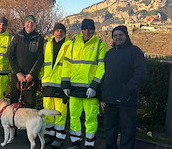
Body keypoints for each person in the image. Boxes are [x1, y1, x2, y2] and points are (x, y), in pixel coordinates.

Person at [61, 19, 108, 149]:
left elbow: (101, 67)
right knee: (74, 117)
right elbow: (67, 64)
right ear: (81, 29)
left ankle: (89, 144)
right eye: (85, 28)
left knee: (91, 118)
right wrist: (65, 83)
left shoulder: (100, 44)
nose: (87, 31)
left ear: (94, 29)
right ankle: (75, 143)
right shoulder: (74, 42)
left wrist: (94, 85)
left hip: (90, 89)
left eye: (90, 28)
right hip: (74, 88)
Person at [101, 25, 147, 149]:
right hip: (110, 100)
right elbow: (106, 75)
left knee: (128, 132)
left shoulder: (135, 51)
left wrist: (127, 90)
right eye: (115, 35)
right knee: (109, 131)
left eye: (121, 35)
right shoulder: (109, 54)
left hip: (127, 100)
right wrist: (103, 96)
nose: (118, 37)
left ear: (126, 36)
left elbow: (140, 74)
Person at [40, 23, 72, 148]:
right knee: (48, 110)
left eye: (61, 30)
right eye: (57, 30)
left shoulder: (70, 45)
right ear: (53, 32)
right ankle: (49, 134)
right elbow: (43, 63)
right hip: (47, 82)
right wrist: (40, 79)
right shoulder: (47, 44)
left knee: (60, 112)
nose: (59, 33)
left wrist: (68, 83)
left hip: (61, 83)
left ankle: (59, 136)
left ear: (64, 32)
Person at [7, 15, 44, 108]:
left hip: (31, 78)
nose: (30, 24)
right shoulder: (17, 37)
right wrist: (18, 73)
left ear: (35, 25)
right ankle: (13, 123)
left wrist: (31, 75)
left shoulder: (39, 39)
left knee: (29, 105)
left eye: (32, 22)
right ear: (24, 24)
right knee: (14, 103)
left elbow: (40, 58)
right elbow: (11, 55)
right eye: (28, 22)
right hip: (17, 76)